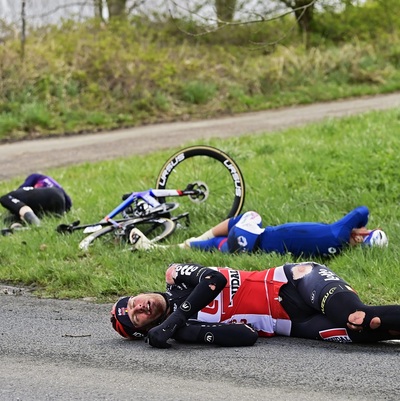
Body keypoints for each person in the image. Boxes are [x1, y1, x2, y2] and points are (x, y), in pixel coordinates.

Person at [111, 261, 400, 349]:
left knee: (356, 317)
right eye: (137, 317)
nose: (140, 308)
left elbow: (213, 280)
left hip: (296, 281)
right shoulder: (184, 330)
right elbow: (247, 336)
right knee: (366, 332)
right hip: (293, 324)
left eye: (133, 302)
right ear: (146, 328)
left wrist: (173, 321)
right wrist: (183, 331)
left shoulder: (175, 276)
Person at [129, 206, 388, 258]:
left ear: (361, 237)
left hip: (255, 235)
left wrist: (363, 227)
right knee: (215, 247)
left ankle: (197, 239)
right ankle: (159, 248)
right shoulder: (338, 249)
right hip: (255, 247)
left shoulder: (339, 233)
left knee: (249, 215)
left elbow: (361, 210)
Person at [0, 173, 72, 227]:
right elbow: (69, 204)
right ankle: (17, 226)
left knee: (6, 198)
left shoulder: (35, 176)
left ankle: (37, 224)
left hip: (51, 194)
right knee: (8, 220)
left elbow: (21, 189)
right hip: (59, 204)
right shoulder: (51, 183)